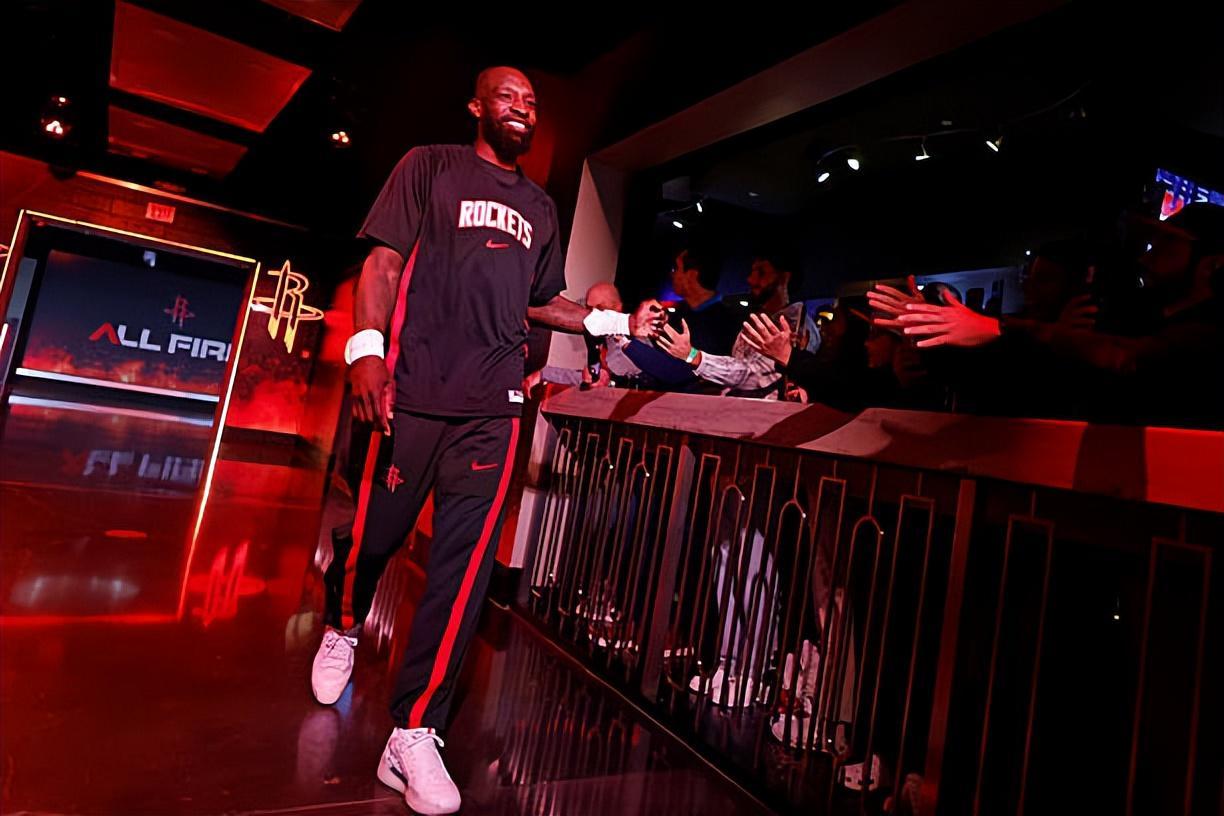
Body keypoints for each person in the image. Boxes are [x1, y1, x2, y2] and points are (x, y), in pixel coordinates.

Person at [310, 66, 662, 815]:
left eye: (532, 102)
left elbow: (545, 304)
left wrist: (614, 321)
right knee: (375, 537)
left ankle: (413, 730)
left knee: (462, 572)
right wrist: (365, 348)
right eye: (508, 96)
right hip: (412, 391)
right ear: (476, 105)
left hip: (492, 409)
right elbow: (383, 261)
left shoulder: (539, 206)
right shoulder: (428, 166)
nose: (522, 109)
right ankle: (342, 622)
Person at [657, 253, 820, 397]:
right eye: (751, 272)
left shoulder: (795, 325)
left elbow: (756, 375)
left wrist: (693, 356)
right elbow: (738, 370)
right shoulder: (755, 319)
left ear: (784, 277)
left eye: (761, 272)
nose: (751, 280)